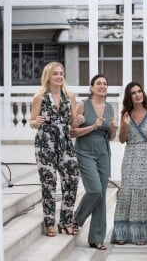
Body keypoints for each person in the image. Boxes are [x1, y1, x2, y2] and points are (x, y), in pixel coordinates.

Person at [111, 81, 147, 245]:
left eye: (139, 91)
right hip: (130, 155)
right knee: (127, 190)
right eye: (133, 93)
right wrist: (125, 126)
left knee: (145, 191)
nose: (137, 95)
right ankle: (123, 233)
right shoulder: (126, 114)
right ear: (129, 97)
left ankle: (142, 233)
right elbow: (122, 140)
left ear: (143, 93)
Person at [30, 61, 81, 237]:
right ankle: (49, 222)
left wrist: (78, 120)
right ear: (48, 77)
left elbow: (72, 123)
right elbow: (31, 121)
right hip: (45, 145)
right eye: (55, 74)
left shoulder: (70, 96)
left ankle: (66, 220)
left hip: (65, 143)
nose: (59, 76)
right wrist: (35, 122)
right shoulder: (39, 97)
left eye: (61, 73)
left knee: (72, 178)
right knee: (49, 183)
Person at [71, 74, 118, 250]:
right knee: (95, 190)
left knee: (102, 194)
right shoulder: (83, 104)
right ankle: (76, 219)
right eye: (99, 83)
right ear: (91, 88)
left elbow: (111, 136)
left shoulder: (109, 108)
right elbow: (72, 132)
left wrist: (113, 129)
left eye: (105, 84)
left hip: (103, 154)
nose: (102, 86)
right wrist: (91, 126)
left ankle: (97, 238)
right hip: (84, 152)